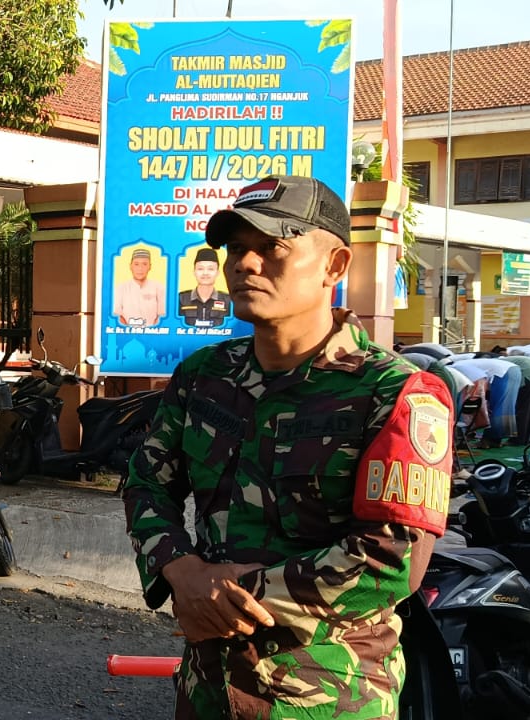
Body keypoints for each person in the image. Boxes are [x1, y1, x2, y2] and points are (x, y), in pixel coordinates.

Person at [122, 175, 455, 719]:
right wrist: (179, 570)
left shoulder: (396, 393)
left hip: (326, 695)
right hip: (206, 689)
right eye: (235, 248)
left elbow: (390, 558)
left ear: (335, 266)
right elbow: (145, 484)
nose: (245, 264)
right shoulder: (203, 377)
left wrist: (224, 593)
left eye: (272, 246)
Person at [177, 247, 232, 327]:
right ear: (194, 272)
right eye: (200, 269)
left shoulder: (228, 300)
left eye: (210, 269)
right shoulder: (181, 299)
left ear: (217, 273)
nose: (205, 273)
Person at [114, 247, 167, 326]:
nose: (140, 268)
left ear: (150, 267)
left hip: (152, 334)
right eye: (136, 264)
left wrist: (151, 331)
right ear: (130, 266)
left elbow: (162, 315)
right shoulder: (120, 288)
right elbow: (117, 315)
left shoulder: (159, 288)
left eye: (144, 264)